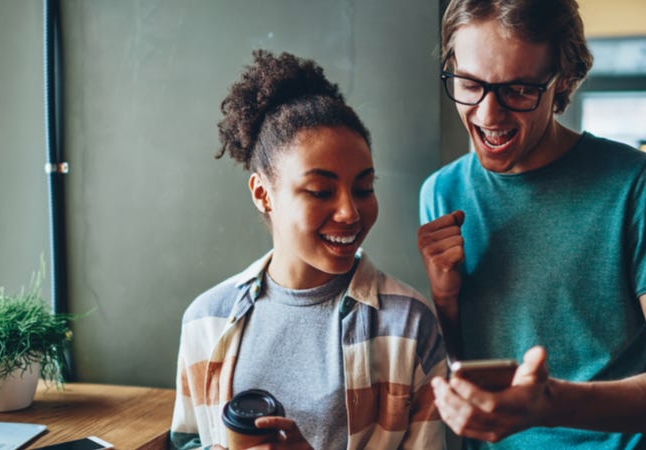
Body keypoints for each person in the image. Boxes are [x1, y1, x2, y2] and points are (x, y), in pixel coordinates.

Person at [417, 0, 646, 448]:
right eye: (469, 84)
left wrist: (554, 403)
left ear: (560, 80)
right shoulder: (440, 194)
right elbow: (464, 370)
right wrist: (445, 301)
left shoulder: (638, 186)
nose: (488, 115)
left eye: (518, 90)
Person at [170, 50, 447, 450]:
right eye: (321, 191)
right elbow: (186, 442)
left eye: (364, 188)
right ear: (263, 193)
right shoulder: (205, 321)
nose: (350, 211)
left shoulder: (408, 326)